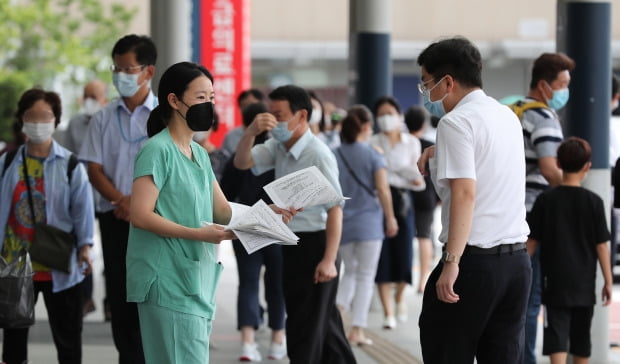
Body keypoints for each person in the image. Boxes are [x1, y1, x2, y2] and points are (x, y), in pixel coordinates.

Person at [416, 37, 531, 364]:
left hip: (474, 263)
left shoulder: (454, 122)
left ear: (447, 82)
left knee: (446, 350)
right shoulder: (506, 115)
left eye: (427, 84)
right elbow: (489, 159)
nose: (427, 94)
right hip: (516, 264)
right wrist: (439, 152)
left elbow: (466, 193)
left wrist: (451, 262)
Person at [234, 85, 356, 364]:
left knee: (305, 326)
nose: (274, 122)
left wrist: (329, 261)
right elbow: (243, 163)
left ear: (302, 115)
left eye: (280, 115)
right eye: (271, 115)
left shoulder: (318, 153)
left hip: (317, 244)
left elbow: (335, 208)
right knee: (323, 324)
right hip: (290, 242)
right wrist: (251, 132)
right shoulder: (279, 146)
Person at [126, 61, 239, 364]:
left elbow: (223, 210)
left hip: (194, 279)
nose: (209, 105)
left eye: (212, 98)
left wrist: (268, 215)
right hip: (167, 280)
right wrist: (197, 234)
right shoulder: (157, 150)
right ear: (174, 101)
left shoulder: (199, 153)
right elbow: (140, 214)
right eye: (201, 98)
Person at [0, 88, 95, 364]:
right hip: (15, 266)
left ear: (55, 120)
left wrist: (85, 247)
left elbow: (83, 212)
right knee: (14, 345)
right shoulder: (6, 163)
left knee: (68, 343)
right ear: (22, 120)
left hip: (60, 266)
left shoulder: (71, 165)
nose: (39, 122)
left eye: (46, 115)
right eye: (32, 116)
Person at [79, 34, 157, 364]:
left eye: (128, 68)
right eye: (117, 67)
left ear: (148, 72)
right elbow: (93, 168)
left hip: (155, 220)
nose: (120, 75)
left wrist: (138, 204)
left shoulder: (164, 117)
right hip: (114, 219)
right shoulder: (103, 117)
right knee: (121, 295)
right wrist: (122, 201)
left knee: (151, 295)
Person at [526, 137, 612, 364]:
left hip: (553, 283)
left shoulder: (546, 200)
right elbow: (602, 245)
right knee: (581, 341)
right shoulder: (594, 201)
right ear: (587, 166)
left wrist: (520, 274)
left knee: (556, 336)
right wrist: (608, 280)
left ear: (557, 163)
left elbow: (531, 243)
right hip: (584, 285)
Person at [516, 52, 575, 364]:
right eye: (562, 84)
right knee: (531, 298)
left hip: (507, 214)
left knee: (514, 297)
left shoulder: (511, 110)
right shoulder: (544, 118)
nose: (565, 91)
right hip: (533, 218)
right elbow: (551, 169)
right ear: (543, 85)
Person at [220, 102, 286, 362]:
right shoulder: (278, 153)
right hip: (277, 227)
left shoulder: (240, 155)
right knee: (277, 284)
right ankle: (277, 340)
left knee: (247, 283)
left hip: (245, 226)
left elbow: (225, 192)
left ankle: (248, 342)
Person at [334, 104, 398, 346]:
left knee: (349, 272)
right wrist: (390, 217)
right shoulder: (374, 154)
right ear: (364, 127)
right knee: (365, 275)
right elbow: (382, 188)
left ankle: (338, 314)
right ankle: (357, 330)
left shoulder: (335, 153)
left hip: (343, 223)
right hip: (370, 224)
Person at [369, 96, 424, 329]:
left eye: (389, 113)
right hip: (378, 202)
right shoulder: (372, 141)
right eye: (380, 114)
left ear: (399, 115)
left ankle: (400, 297)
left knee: (404, 255)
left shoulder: (411, 142)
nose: (385, 118)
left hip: (403, 201)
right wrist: (400, 173)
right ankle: (387, 312)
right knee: (382, 257)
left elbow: (418, 179)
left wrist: (393, 168)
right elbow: (372, 177)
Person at [404, 105, 439, 293]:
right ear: (423, 124)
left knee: (404, 237)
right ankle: (422, 281)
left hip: (404, 197)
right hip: (426, 196)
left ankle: (401, 279)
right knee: (424, 236)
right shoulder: (429, 145)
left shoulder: (402, 144)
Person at [61, 80, 108, 154]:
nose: (88, 100)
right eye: (86, 96)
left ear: (105, 101)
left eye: (93, 97)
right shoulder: (74, 123)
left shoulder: (113, 124)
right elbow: (67, 154)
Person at [220, 88, 265, 158]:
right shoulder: (231, 136)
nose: (248, 110)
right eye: (243, 106)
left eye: (251, 105)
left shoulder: (272, 134)